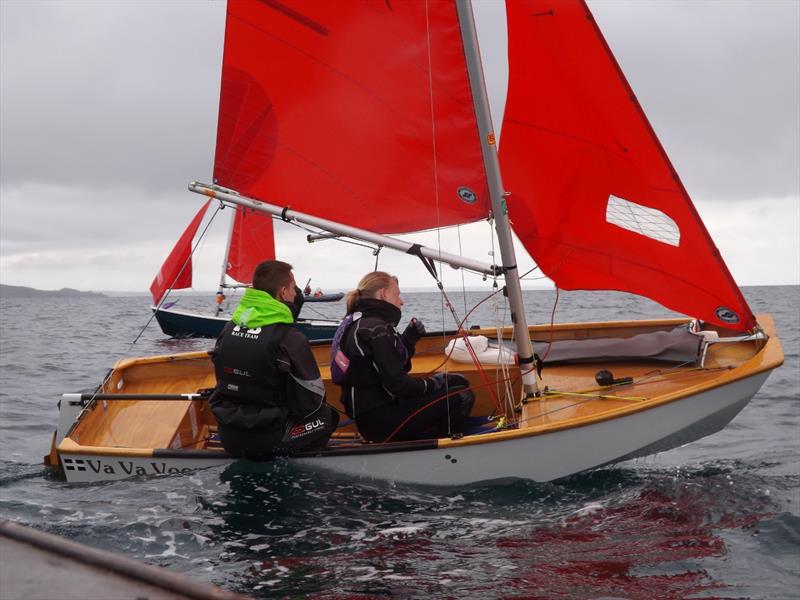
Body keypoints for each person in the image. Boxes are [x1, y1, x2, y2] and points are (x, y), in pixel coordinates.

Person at [209, 260, 338, 458]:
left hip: (229, 435)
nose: (296, 295)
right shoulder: (290, 339)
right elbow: (311, 404)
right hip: (269, 439)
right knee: (327, 416)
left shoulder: (227, 330)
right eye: (294, 288)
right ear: (284, 292)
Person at [330, 271, 474, 443]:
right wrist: (434, 383)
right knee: (463, 394)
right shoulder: (375, 329)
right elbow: (398, 383)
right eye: (397, 294)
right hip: (381, 421)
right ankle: (443, 448)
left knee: (458, 381)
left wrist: (409, 339)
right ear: (383, 293)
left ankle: (430, 435)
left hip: (377, 412)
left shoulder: (364, 323)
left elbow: (394, 367)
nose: (402, 301)